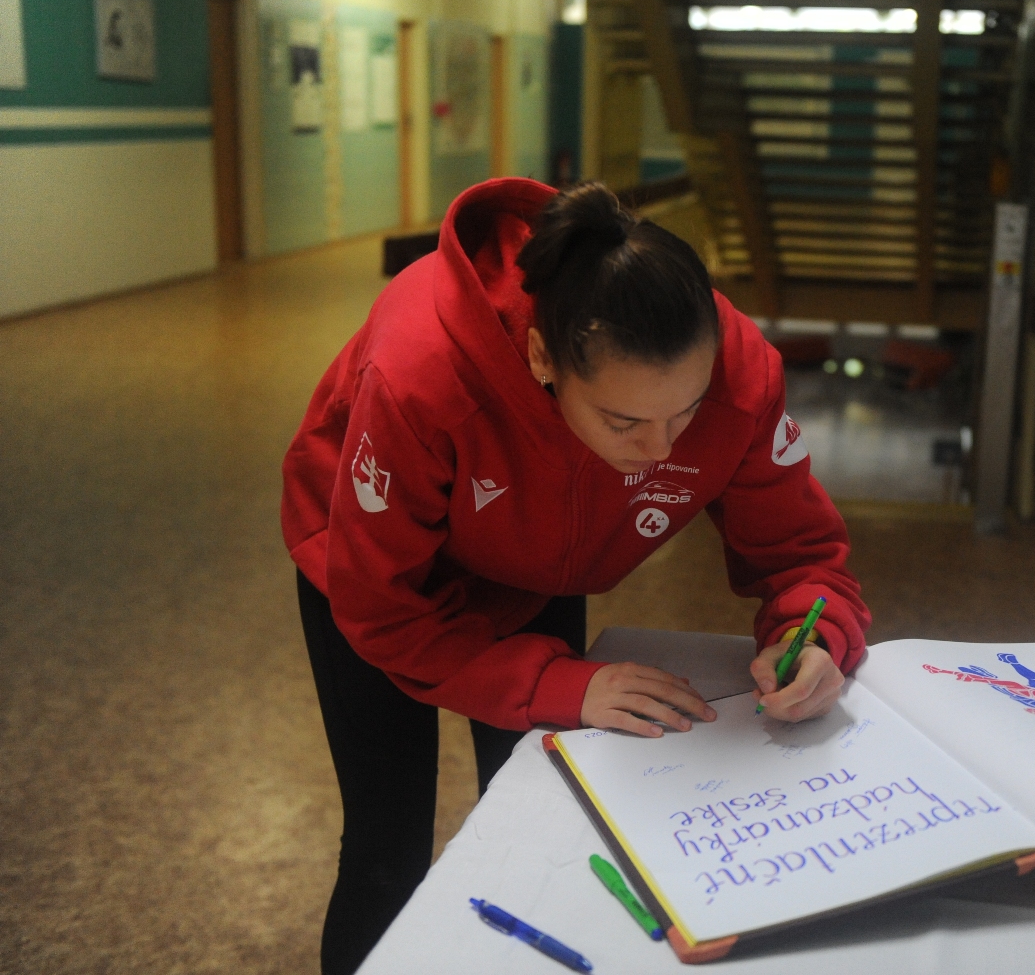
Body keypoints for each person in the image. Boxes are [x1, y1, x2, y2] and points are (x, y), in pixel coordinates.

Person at [281, 178, 870, 975]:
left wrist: (814, 633)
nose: (662, 450)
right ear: (541, 359)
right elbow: (381, 607)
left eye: (687, 413)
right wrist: (557, 684)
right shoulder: (422, 372)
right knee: (388, 846)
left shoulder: (737, 377)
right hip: (372, 575)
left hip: (535, 565)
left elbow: (801, 553)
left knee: (540, 822)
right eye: (624, 422)